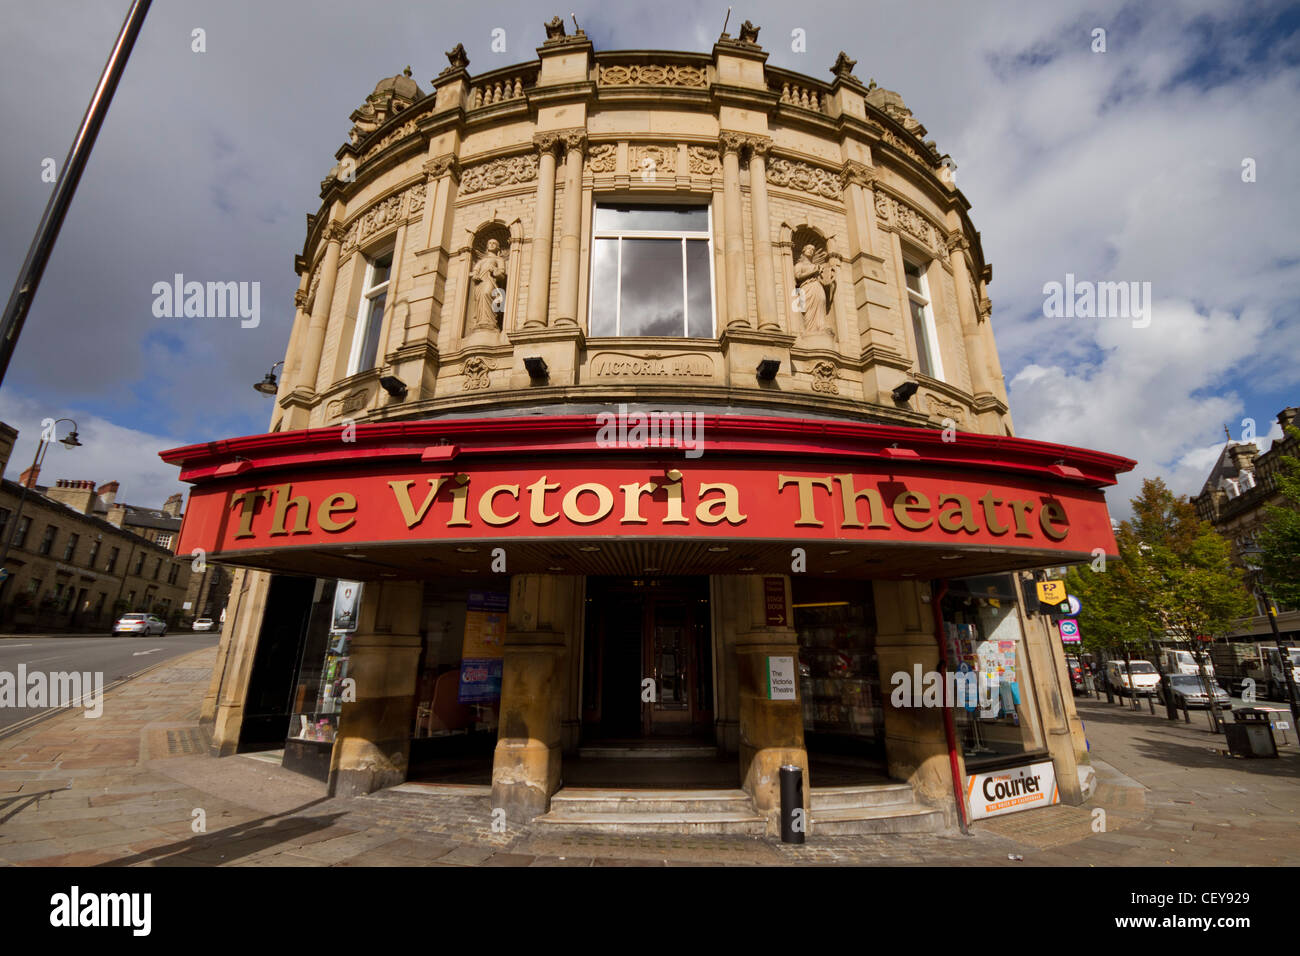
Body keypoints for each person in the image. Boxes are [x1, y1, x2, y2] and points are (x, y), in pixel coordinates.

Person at [470, 238, 507, 331]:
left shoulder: (499, 259)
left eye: (494, 243)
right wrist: (475, 276)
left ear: (498, 248)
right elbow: (475, 271)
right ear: (487, 246)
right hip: (480, 283)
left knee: (487, 294)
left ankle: (490, 321)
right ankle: (481, 320)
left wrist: (494, 270)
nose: (491, 244)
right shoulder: (482, 260)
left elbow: (502, 275)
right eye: (489, 243)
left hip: (490, 281)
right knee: (480, 298)